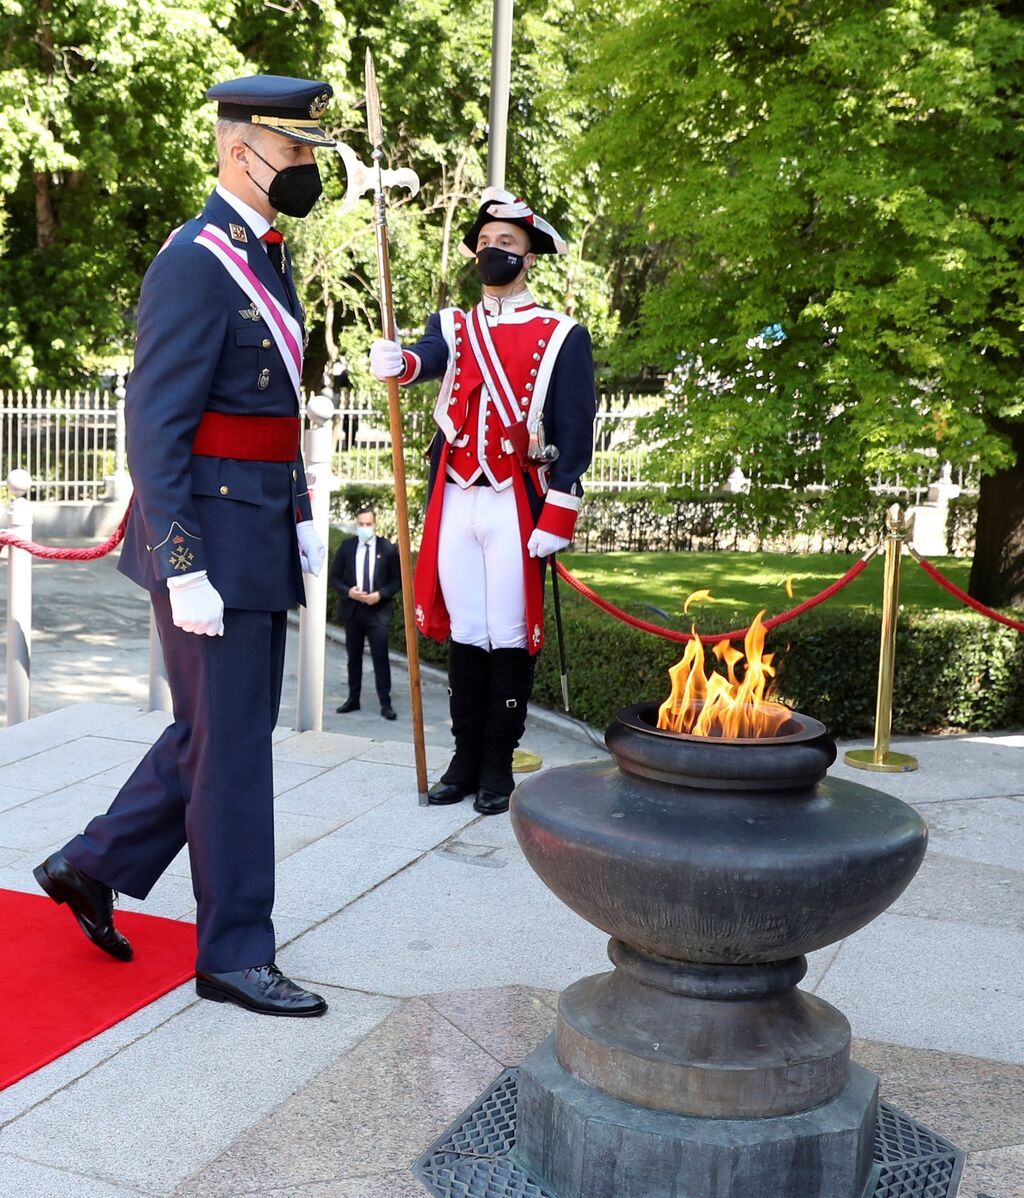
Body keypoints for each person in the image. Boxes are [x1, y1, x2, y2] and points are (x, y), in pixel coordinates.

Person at [33, 75, 337, 1018]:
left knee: (212, 731)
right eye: (294, 153)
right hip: (209, 543)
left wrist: (298, 508)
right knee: (235, 747)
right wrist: (181, 560)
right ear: (240, 150)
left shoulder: (261, 252)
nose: (306, 169)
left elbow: (264, 412)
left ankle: (93, 863)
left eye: (310, 154)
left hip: (253, 530)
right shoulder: (197, 260)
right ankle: (234, 954)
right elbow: (154, 427)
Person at [369, 188, 596, 815]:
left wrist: (561, 511)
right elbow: (431, 357)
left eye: (509, 244)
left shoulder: (559, 335)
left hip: (513, 505)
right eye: (488, 242)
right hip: (457, 499)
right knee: (466, 632)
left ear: (529, 259)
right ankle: (463, 757)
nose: (495, 251)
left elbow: (576, 432)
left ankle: (499, 764)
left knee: (507, 635)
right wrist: (404, 360)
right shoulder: (454, 325)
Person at [330, 506, 402, 720]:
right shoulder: (347, 547)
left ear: (375, 524)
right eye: (361, 524)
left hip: (378, 612)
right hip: (354, 611)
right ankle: (353, 699)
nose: (364, 528)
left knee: (380, 658)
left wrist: (380, 595)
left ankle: (385, 703)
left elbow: (397, 581)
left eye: (368, 524)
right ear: (356, 524)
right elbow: (335, 578)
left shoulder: (387, 548)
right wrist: (348, 592)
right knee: (354, 657)